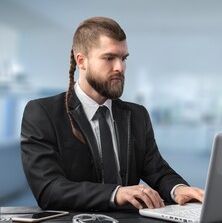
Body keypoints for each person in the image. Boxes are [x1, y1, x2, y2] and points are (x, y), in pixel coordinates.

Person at [20, 16, 204, 211]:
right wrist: (116, 193)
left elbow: (157, 170)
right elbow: (49, 190)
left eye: (123, 58)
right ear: (81, 60)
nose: (120, 68)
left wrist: (179, 189)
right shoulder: (43, 113)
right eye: (109, 58)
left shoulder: (138, 115)